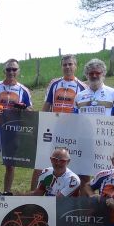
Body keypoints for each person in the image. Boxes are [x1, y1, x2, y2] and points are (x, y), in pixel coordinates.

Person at [34, 54, 87, 190]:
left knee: (69, 163)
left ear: (76, 66)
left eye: (70, 64)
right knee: (41, 163)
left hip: (71, 132)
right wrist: (41, 125)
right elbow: (46, 106)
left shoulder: (82, 87)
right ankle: (34, 195)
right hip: (53, 130)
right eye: (65, 64)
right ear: (61, 66)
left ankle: (69, 194)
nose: (67, 67)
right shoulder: (54, 84)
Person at [0, 58, 33, 193]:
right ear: (4, 71)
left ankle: (6, 194)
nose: (11, 72)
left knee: (10, 166)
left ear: (18, 71)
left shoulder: (23, 90)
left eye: (14, 69)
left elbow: (31, 113)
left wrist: (23, 108)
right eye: (8, 69)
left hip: (12, 132)